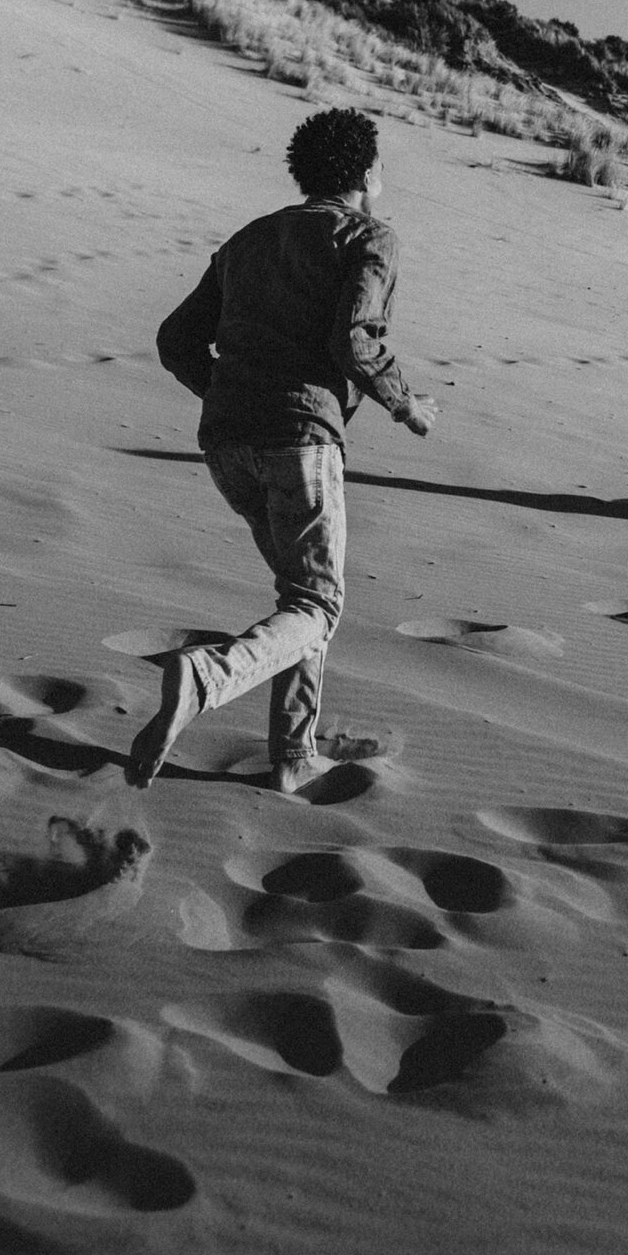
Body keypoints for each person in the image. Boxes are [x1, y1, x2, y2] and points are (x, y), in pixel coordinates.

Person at [133, 108, 437, 792]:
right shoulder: (370, 237)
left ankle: (295, 757)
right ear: (365, 173)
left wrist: (231, 392)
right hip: (299, 439)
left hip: (225, 443)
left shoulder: (249, 239)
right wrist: (406, 404)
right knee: (317, 605)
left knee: (301, 599)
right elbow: (354, 341)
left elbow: (175, 341)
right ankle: (210, 676)